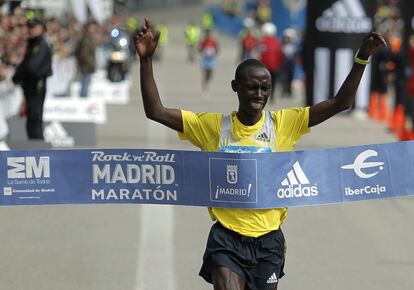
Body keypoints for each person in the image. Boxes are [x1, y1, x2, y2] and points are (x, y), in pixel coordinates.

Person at [135, 18, 386, 290]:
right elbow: (156, 111)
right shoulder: (212, 126)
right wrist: (146, 62)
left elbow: (341, 103)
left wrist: (362, 58)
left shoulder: (283, 124)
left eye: (265, 88)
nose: (259, 94)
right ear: (235, 87)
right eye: (251, 87)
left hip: (269, 242)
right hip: (226, 239)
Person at [12, 18, 52, 139]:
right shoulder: (32, 43)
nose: (31, 30)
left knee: (35, 119)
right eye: (30, 27)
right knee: (32, 119)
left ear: (41, 28)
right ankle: (35, 146)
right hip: (30, 86)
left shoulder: (40, 45)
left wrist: (18, 76)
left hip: (36, 86)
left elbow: (31, 67)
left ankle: (38, 149)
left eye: (34, 27)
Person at [258, 22, 283, 102]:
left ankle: (265, 95)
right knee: (273, 82)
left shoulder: (262, 41)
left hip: (265, 66)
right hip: (275, 66)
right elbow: (280, 54)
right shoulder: (277, 41)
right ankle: (272, 96)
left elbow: (261, 55)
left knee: (264, 82)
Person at [74, 21, 97, 98]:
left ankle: (83, 97)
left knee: (85, 83)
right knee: (85, 84)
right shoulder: (86, 39)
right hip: (86, 65)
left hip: (87, 65)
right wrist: (84, 62)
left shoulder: (87, 38)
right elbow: (84, 54)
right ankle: (82, 100)